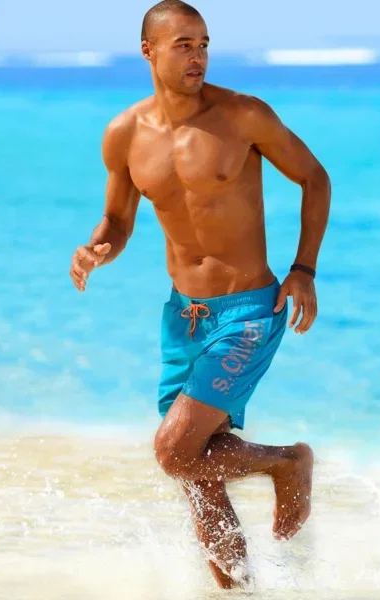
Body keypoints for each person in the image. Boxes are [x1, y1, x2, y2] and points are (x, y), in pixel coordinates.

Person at [69, 0, 331, 589]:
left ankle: (287, 462)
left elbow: (314, 177)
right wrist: (97, 249)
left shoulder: (242, 115)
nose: (198, 56)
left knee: (173, 450)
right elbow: (118, 220)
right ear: (148, 51)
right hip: (183, 316)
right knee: (197, 474)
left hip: (248, 310)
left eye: (204, 43)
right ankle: (239, 590)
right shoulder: (125, 134)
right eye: (183, 44)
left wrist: (304, 268)